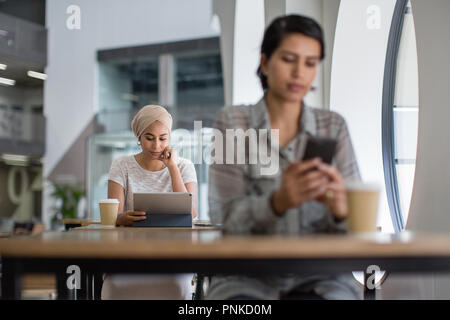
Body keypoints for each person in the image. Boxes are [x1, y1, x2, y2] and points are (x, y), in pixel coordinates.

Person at [207, 15, 362, 300]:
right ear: (265, 63)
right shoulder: (232, 122)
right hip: (245, 277)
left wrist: (343, 210)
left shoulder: (333, 126)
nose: (299, 73)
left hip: (321, 277)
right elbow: (224, 219)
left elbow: (356, 228)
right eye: (289, 59)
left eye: (310, 63)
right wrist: (277, 203)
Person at [101, 104, 198, 300]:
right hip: (131, 251)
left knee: (177, 286)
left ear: (169, 138)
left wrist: (172, 167)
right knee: (114, 285)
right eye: (149, 138)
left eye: (163, 138)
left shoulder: (184, 166)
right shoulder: (121, 165)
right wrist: (123, 217)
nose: (156, 146)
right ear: (139, 138)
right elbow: (114, 215)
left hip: (174, 252)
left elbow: (191, 212)